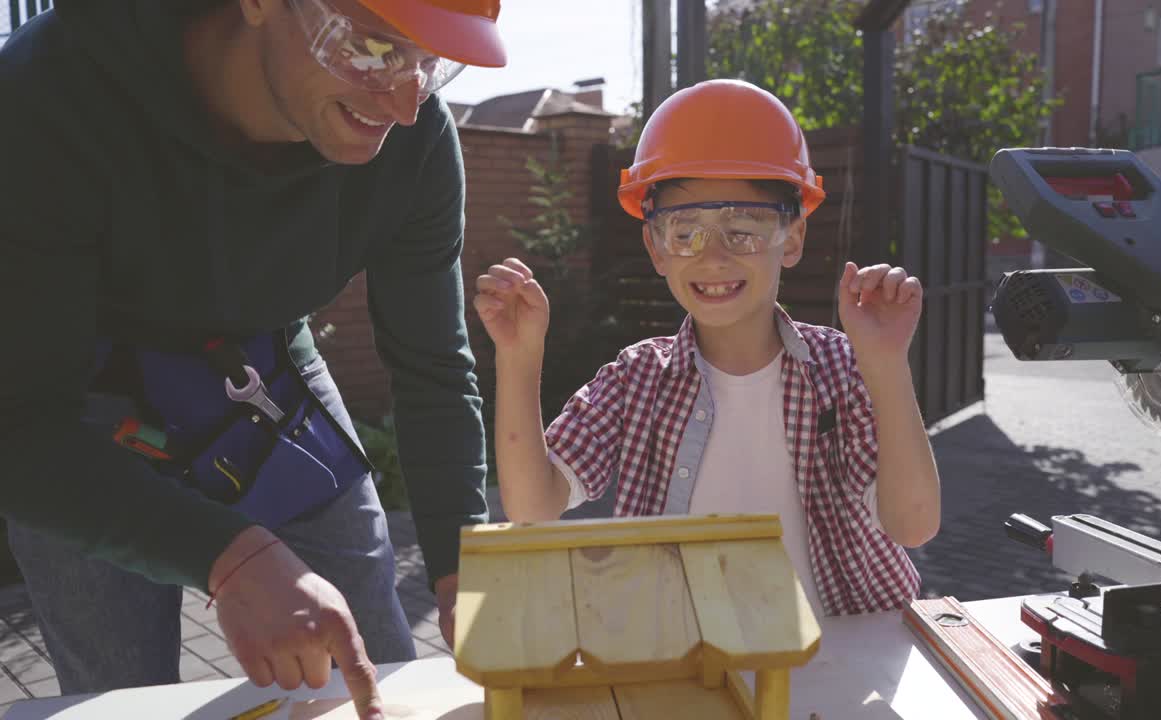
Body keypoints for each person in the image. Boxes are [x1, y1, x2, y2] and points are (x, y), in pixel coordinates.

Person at [0, 0, 504, 716]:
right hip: (76, 412)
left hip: (261, 371)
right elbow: (14, 422)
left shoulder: (416, 145)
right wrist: (232, 557)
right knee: (119, 694)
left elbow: (433, 369)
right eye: (372, 48)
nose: (402, 102)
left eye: (431, 63)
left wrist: (461, 568)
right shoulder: (41, 101)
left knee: (378, 668)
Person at [474, 79, 941, 616]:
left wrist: (886, 363)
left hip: (841, 661)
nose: (713, 256)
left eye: (743, 228)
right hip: (688, 661)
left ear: (791, 239)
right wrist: (517, 358)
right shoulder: (636, 379)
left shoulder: (841, 368)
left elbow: (914, 524)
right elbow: (534, 509)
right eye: (685, 230)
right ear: (655, 247)